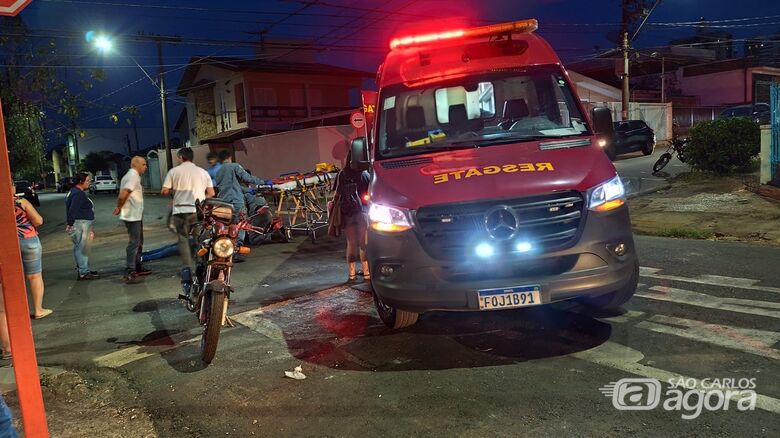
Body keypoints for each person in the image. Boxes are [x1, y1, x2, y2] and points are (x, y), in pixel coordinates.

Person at [161, 147, 214, 298]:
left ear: (180, 157)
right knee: (200, 239)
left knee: (183, 240)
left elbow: (164, 191)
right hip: (198, 211)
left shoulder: (174, 172)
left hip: (180, 212)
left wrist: (174, 192)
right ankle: (201, 265)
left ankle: (186, 269)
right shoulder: (203, 172)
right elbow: (211, 193)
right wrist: (201, 196)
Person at [215, 149, 263, 261]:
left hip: (223, 203)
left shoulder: (218, 172)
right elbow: (247, 178)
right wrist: (262, 182)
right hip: (236, 202)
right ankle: (236, 251)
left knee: (228, 227)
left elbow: (231, 186)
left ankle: (225, 251)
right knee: (240, 225)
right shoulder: (234, 166)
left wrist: (247, 190)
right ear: (229, 157)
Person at [333, 153, 370, 282]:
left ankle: (352, 275)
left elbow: (336, 195)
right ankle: (367, 274)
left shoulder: (342, 174)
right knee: (363, 244)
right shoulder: (365, 174)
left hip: (347, 213)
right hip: (363, 213)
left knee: (351, 243)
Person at [14, 190, 51, 319]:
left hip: (7, 244)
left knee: (12, 278)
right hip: (28, 240)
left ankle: (14, 312)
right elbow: (38, 220)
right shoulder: (20, 202)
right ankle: (38, 310)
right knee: (34, 276)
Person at [113, 156, 150, 283]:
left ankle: (137, 266)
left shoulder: (130, 176)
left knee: (139, 242)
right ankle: (130, 269)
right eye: (144, 164)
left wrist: (119, 207)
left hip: (134, 215)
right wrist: (119, 206)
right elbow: (123, 194)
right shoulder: (133, 176)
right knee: (134, 243)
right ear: (136, 165)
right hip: (132, 216)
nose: (146, 167)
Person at [66, 172, 99, 280]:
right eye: (88, 181)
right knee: (81, 248)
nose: (89, 183)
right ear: (81, 182)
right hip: (81, 224)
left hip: (81, 223)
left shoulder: (73, 191)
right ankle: (83, 272)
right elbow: (73, 210)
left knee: (82, 247)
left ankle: (84, 269)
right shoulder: (78, 193)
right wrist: (70, 223)